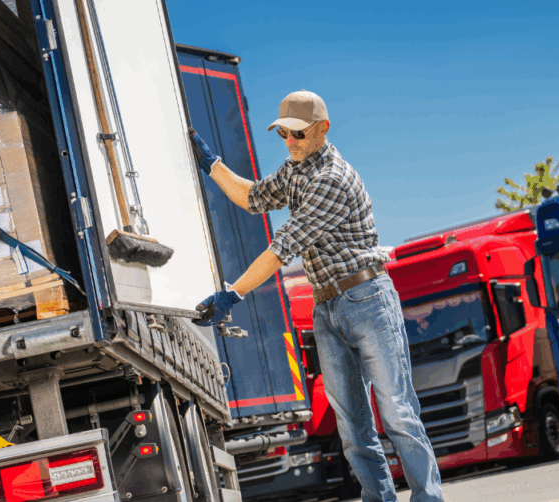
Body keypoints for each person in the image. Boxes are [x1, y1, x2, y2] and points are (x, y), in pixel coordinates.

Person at [189, 90, 444, 502]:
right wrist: (211, 164)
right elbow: (252, 198)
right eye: (283, 134)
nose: (289, 142)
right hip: (327, 306)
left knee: (396, 412)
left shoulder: (332, 179)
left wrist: (231, 295)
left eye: (298, 134)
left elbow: (281, 248)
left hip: (368, 301)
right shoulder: (296, 170)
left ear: (323, 129)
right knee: (351, 429)